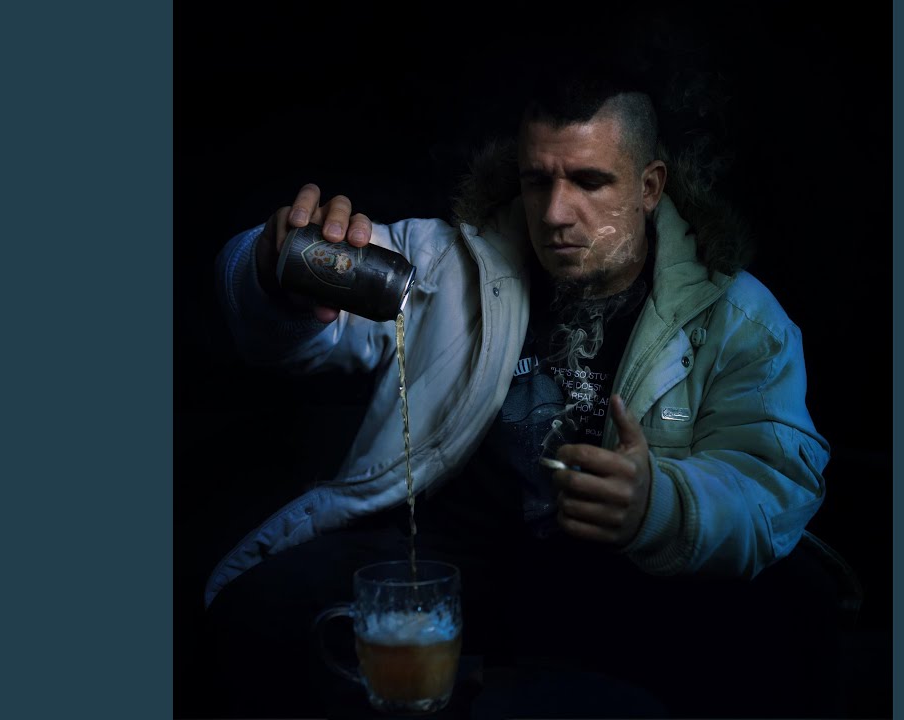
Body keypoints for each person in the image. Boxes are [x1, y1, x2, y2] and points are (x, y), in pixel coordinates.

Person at [205, 63, 838, 718]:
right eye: (538, 180)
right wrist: (270, 269)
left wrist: (660, 503)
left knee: (784, 624)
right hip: (449, 560)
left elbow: (771, 481)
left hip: (622, 584)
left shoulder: (739, 319)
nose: (556, 213)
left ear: (649, 187)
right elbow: (288, 326)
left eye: (589, 181)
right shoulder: (444, 262)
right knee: (262, 608)